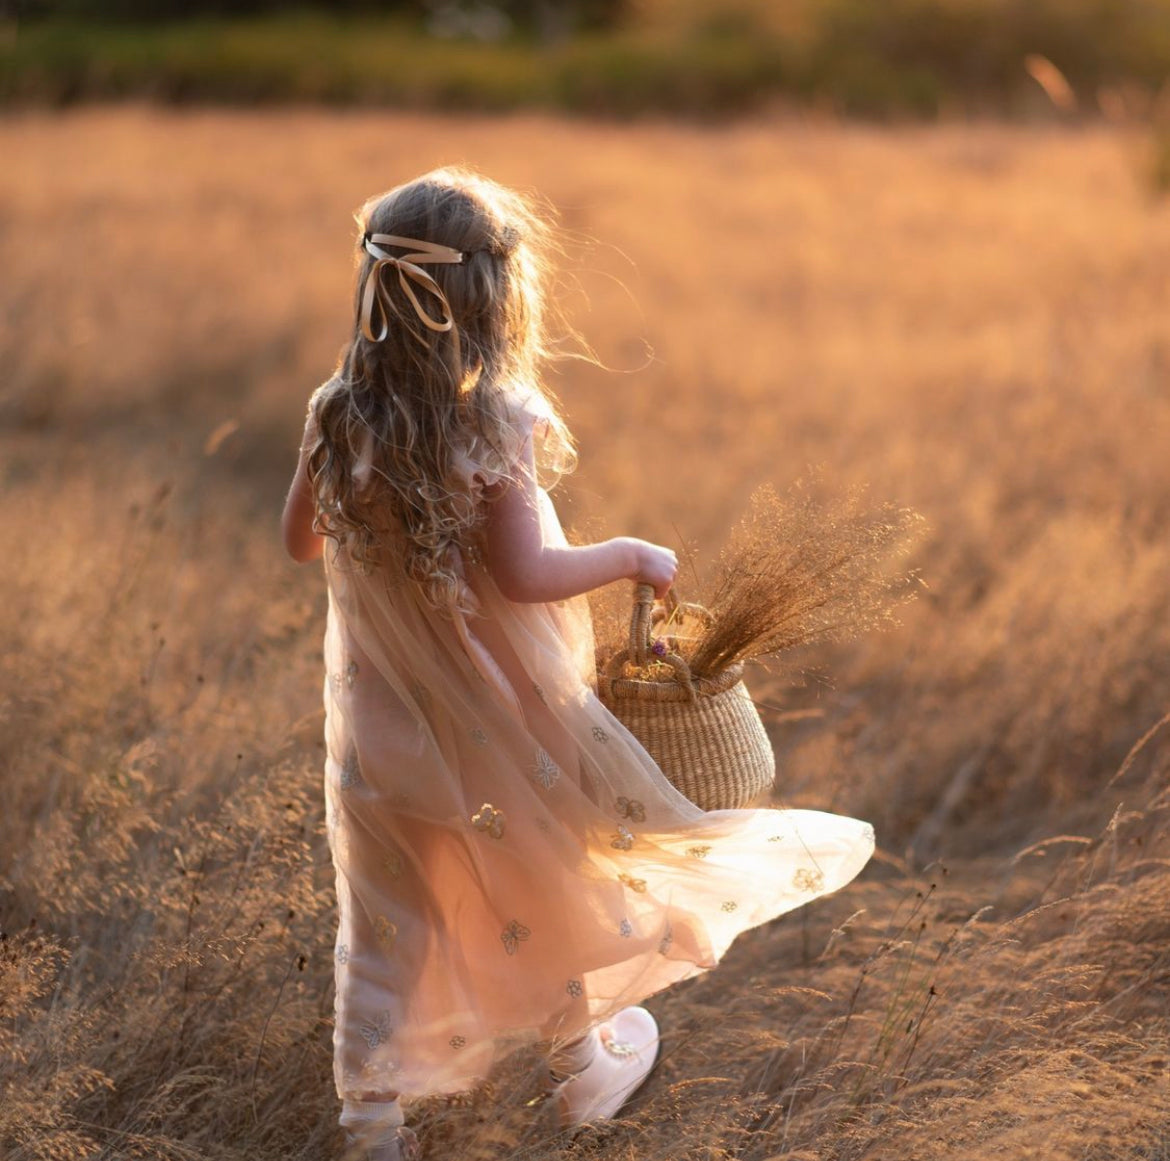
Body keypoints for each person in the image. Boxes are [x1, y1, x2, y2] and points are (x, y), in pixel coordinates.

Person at [281, 168, 875, 1161]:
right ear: (498, 298)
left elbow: (300, 542)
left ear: (374, 288)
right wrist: (631, 557)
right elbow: (525, 574)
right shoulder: (493, 422)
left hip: (378, 732)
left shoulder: (338, 411)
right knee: (543, 887)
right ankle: (583, 1070)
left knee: (381, 927)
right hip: (496, 732)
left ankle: (370, 1129)